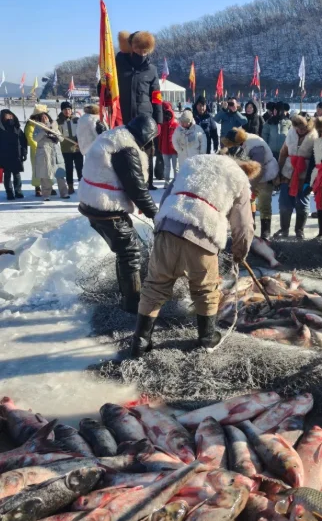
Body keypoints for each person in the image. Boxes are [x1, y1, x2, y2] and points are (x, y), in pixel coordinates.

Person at [131, 154, 258, 354]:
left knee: (155, 286)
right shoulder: (238, 178)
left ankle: (140, 341)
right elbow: (244, 224)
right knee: (205, 289)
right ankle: (207, 338)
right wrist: (239, 253)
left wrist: (162, 227)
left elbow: (166, 198)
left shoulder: (193, 162)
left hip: (168, 228)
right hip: (203, 234)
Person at [78, 115, 158, 313]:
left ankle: (127, 295)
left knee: (125, 251)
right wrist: (156, 215)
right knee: (130, 253)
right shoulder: (126, 149)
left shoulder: (115, 137)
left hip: (93, 202)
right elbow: (136, 188)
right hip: (105, 207)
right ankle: (132, 303)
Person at [221, 127, 279, 239]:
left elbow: (258, 170)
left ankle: (265, 233)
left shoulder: (256, 146)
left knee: (263, 202)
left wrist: (249, 187)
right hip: (250, 172)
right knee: (248, 201)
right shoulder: (239, 141)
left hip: (265, 173)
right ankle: (251, 228)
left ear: (238, 142)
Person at [275, 114, 317, 240]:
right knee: (284, 204)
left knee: (302, 204)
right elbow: (283, 153)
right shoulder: (291, 133)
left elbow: (316, 159)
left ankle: (299, 230)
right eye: (297, 128)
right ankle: (284, 229)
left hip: (304, 175)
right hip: (287, 173)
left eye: (302, 128)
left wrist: (311, 179)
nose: (299, 130)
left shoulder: (315, 136)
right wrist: (278, 171)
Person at [115, 31, 162, 125]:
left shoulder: (151, 70)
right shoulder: (118, 66)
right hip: (122, 117)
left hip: (144, 119)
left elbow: (156, 96)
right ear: (131, 48)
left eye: (145, 51)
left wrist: (158, 120)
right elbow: (106, 87)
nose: (141, 54)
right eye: (138, 50)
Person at [35, 113, 69, 200]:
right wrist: (44, 131)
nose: (44, 118)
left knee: (60, 174)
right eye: (42, 117)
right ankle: (46, 195)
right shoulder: (38, 127)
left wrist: (54, 131)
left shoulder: (54, 126)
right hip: (44, 153)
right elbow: (35, 138)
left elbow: (61, 139)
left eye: (45, 116)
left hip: (55, 152)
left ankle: (64, 193)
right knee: (45, 175)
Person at [0, 109, 27, 199]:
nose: (9, 117)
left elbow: (23, 141)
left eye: (10, 115)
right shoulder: (1, 129)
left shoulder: (17, 128)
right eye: (7, 116)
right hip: (5, 155)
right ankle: (9, 193)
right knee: (7, 175)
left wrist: (24, 152)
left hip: (16, 154)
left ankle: (18, 191)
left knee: (17, 174)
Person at [57, 102, 83, 194]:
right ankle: (70, 186)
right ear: (62, 110)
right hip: (66, 150)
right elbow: (58, 134)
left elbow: (82, 133)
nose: (67, 111)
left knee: (80, 168)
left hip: (78, 148)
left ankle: (82, 185)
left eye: (69, 109)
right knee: (69, 168)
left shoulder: (77, 120)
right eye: (65, 109)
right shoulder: (58, 122)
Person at [25, 104, 49, 197]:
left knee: (48, 169)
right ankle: (37, 187)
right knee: (37, 169)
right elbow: (30, 137)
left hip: (47, 149)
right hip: (36, 150)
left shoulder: (47, 122)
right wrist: (38, 147)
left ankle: (47, 187)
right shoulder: (31, 124)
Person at [158, 101, 179, 187]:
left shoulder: (175, 125)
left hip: (174, 150)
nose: (167, 117)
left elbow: (178, 138)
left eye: (169, 115)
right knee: (167, 167)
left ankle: (176, 182)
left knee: (175, 167)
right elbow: (160, 137)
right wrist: (160, 147)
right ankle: (167, 182)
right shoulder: (163, 125)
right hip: (165, 149)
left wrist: (178, 148)